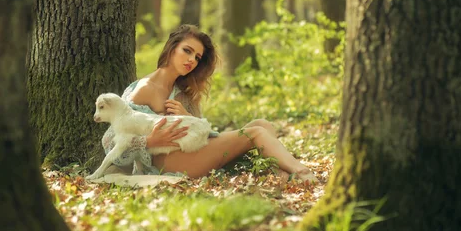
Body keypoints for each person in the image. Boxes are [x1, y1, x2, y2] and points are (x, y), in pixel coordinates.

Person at [100, 24, 317, 183]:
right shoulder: (145, 88)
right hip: (167, 163)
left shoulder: (184, 93)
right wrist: (149, 140)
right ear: (171, 48)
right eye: (187, 51)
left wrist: (188, 116)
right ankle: (303, 173)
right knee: (256, 133)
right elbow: (109, 140)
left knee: (263, 124)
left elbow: (203, 134)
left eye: (197, 57)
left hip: (192, 153)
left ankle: (281, 175)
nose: (191, 60)